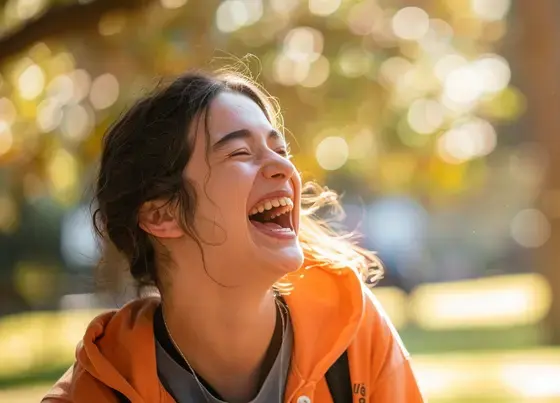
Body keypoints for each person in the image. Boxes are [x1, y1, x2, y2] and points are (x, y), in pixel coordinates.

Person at [43, 70, 424, 403]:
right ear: (161, 214)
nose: (283, 167)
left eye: (279, 149)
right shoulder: (93, 395)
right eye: (240, 152)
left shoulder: (354, 338)